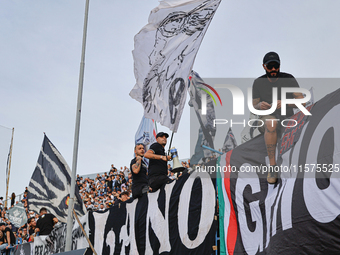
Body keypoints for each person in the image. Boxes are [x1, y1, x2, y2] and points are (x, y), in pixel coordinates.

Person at [252, 52, 304, 184]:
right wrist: (259, 105)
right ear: (264, 66)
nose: (274, 69)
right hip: (268, 118)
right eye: (270, 66)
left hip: (287, 117)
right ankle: (272, 167)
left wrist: (285, 102)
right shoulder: (258, 82)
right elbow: (253, 106)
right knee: (271, 122)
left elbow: (302, 101)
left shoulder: (289, 78)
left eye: (276, 66)